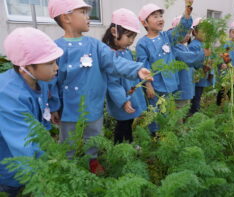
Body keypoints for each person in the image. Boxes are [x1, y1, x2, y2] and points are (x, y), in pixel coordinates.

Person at [48, 0, 152, 174]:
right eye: (83, 12)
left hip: (93, 104)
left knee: (94, 135)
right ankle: (67, 165)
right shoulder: (56, 48)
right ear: (66, 17)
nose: (88, 17)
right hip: (68, 108)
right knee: (68, 140)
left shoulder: (95, 45)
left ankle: (92, 159)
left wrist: (136, 69)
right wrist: (53, 106)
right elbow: (51, 80)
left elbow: (115, 62)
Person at [0, 27, 63, 197]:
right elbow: (22, 144)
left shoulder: (39, 80)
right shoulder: (9, 95)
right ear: (25, 67)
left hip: (29, 157)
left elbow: (43, 112)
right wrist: (42, 186)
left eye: (55, 61)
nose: (56, 67)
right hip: (10, 163)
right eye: (50, 63)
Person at [136, 0, 193, 134]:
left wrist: (186, 12)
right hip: (156, 88)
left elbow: (180, 31)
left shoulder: (167, 36)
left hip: (171, 85)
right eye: (155, 16)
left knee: (169, 112)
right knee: (155, 113)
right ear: (145, 23)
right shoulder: (142, 44)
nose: (160, 19)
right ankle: (155, 137)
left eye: (160, 16)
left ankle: (168, 135)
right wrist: (148, 85)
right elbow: (144, 66)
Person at [102, 8, 147, 144]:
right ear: (114, 32)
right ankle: (119, 147)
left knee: (129, 121)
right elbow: (112, 83)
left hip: (131, 93)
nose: (131, 41)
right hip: (121, 98)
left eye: (134, 37)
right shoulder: (109, 55)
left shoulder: (126, 51)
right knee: (123, 123)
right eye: (129, 36)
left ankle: (128, 143)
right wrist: (122, 100)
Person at [188, 17, 214, 114]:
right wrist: (203, 65)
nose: (206, 34)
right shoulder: (194, 45)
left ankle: (194, 113)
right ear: (195, 32)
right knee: (194, 99)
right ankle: (192, 115)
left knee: (197, 97)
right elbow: (192, 61)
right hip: (195, 78)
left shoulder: (206, 44)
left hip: (201, 77)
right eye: (204, 31)